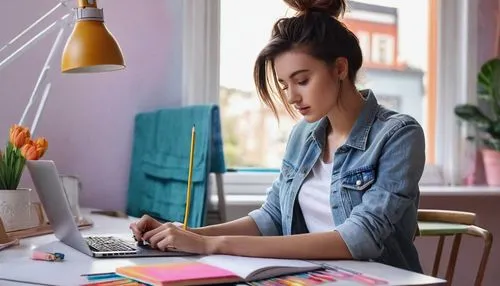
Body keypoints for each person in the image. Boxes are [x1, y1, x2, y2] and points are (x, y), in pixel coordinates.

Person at [130, 0, 425, 273]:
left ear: (339, 68)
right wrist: (184, 234)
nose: (293, 97)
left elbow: (359, 238)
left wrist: (212, 244)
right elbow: (271, 217)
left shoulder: (398, 135)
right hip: (317, 277)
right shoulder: (303, 135)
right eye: (285, 85)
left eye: (302, 80)